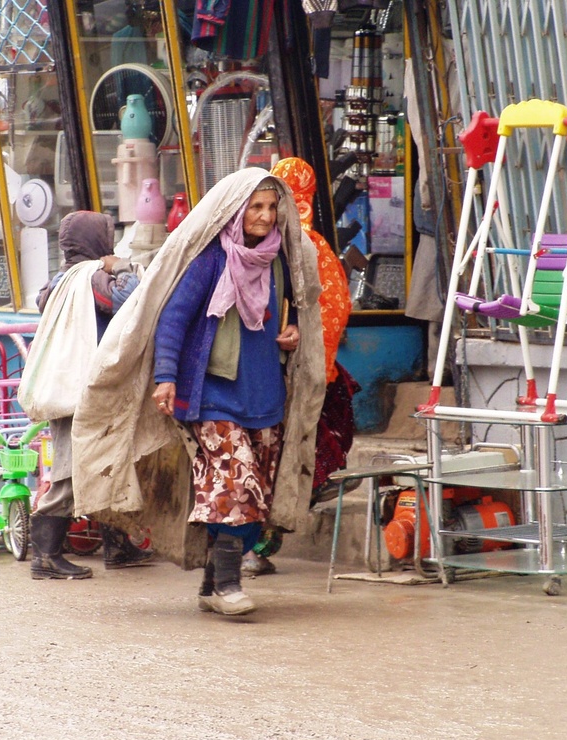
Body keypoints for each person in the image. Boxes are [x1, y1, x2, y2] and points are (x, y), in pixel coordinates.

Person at [69, 167, 325, 617]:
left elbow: (297, 313)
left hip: (265, 398)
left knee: (257, 495)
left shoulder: (282, 260)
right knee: (235, 485)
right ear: (235, 211)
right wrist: (166, 378)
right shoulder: (210, 261)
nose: (265, 217)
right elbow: (173, 320)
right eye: (255, 208)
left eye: (271, 208)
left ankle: (210, 583)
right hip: (211, 397)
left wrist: (294, 330)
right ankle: (228, 585)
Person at [242, 157, 361, 577]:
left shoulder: (262, 245)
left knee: (265, 456)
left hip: (263, 373)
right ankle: (256, 545)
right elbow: (336, 309)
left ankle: (250, 545)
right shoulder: (312, 248)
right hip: (299, 373)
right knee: (287, 456)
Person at [23, 210, 154, 579]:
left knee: (107, 464)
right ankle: (45, 557)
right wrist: (123, 266)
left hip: (71, 389)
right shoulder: (91, 278)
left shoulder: (59, 281)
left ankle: (118, 546)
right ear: (98, 241)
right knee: (69, 473)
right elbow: (131, 299)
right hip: (81, 394)